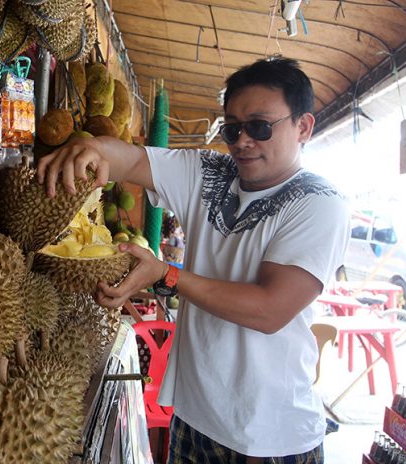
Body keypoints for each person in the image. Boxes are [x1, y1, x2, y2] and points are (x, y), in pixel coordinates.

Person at [37, 57, 350, 463]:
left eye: (259, 126)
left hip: (267, 435)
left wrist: (168, 275)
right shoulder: (212, 172)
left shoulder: (318, 204)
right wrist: (92, 147)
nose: (242, 141)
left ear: (303, 127)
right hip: (195, 413)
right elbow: (130, 160)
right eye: (233, 128)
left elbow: (269, 309)